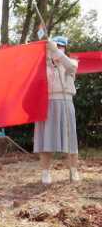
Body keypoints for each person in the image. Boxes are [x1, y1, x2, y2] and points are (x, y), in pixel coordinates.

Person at [35, 36, 79, 184]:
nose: (59, 47)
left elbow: (71, 68)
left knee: (70, 138)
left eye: (61, 46)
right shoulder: (43, 65)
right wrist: (47, 56)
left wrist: (56, 52)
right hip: (46, 103)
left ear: (65, 47)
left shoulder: (71, 62)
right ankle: (46, 172)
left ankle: (73, 170)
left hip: (66, 101)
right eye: (56, 45)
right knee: (45, 139)